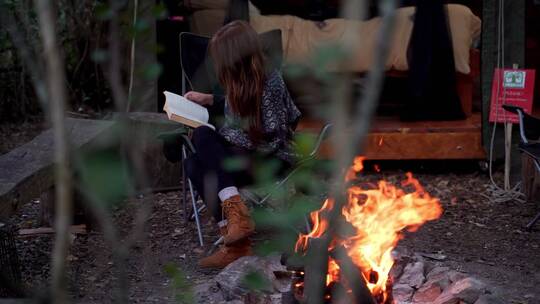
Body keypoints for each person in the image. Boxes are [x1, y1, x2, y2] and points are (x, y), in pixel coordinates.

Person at [183, 20, 301, 268]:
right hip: (247, 153)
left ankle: (237, 232)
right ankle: (236, 236)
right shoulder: (241, 79)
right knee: (193, 163)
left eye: (220, 58)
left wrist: (222, 133)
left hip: (273, 158)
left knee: (204, 136)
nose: (217, 65)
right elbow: (237, 107)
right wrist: (208, 100)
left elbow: (273, 136)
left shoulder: (271, 80)